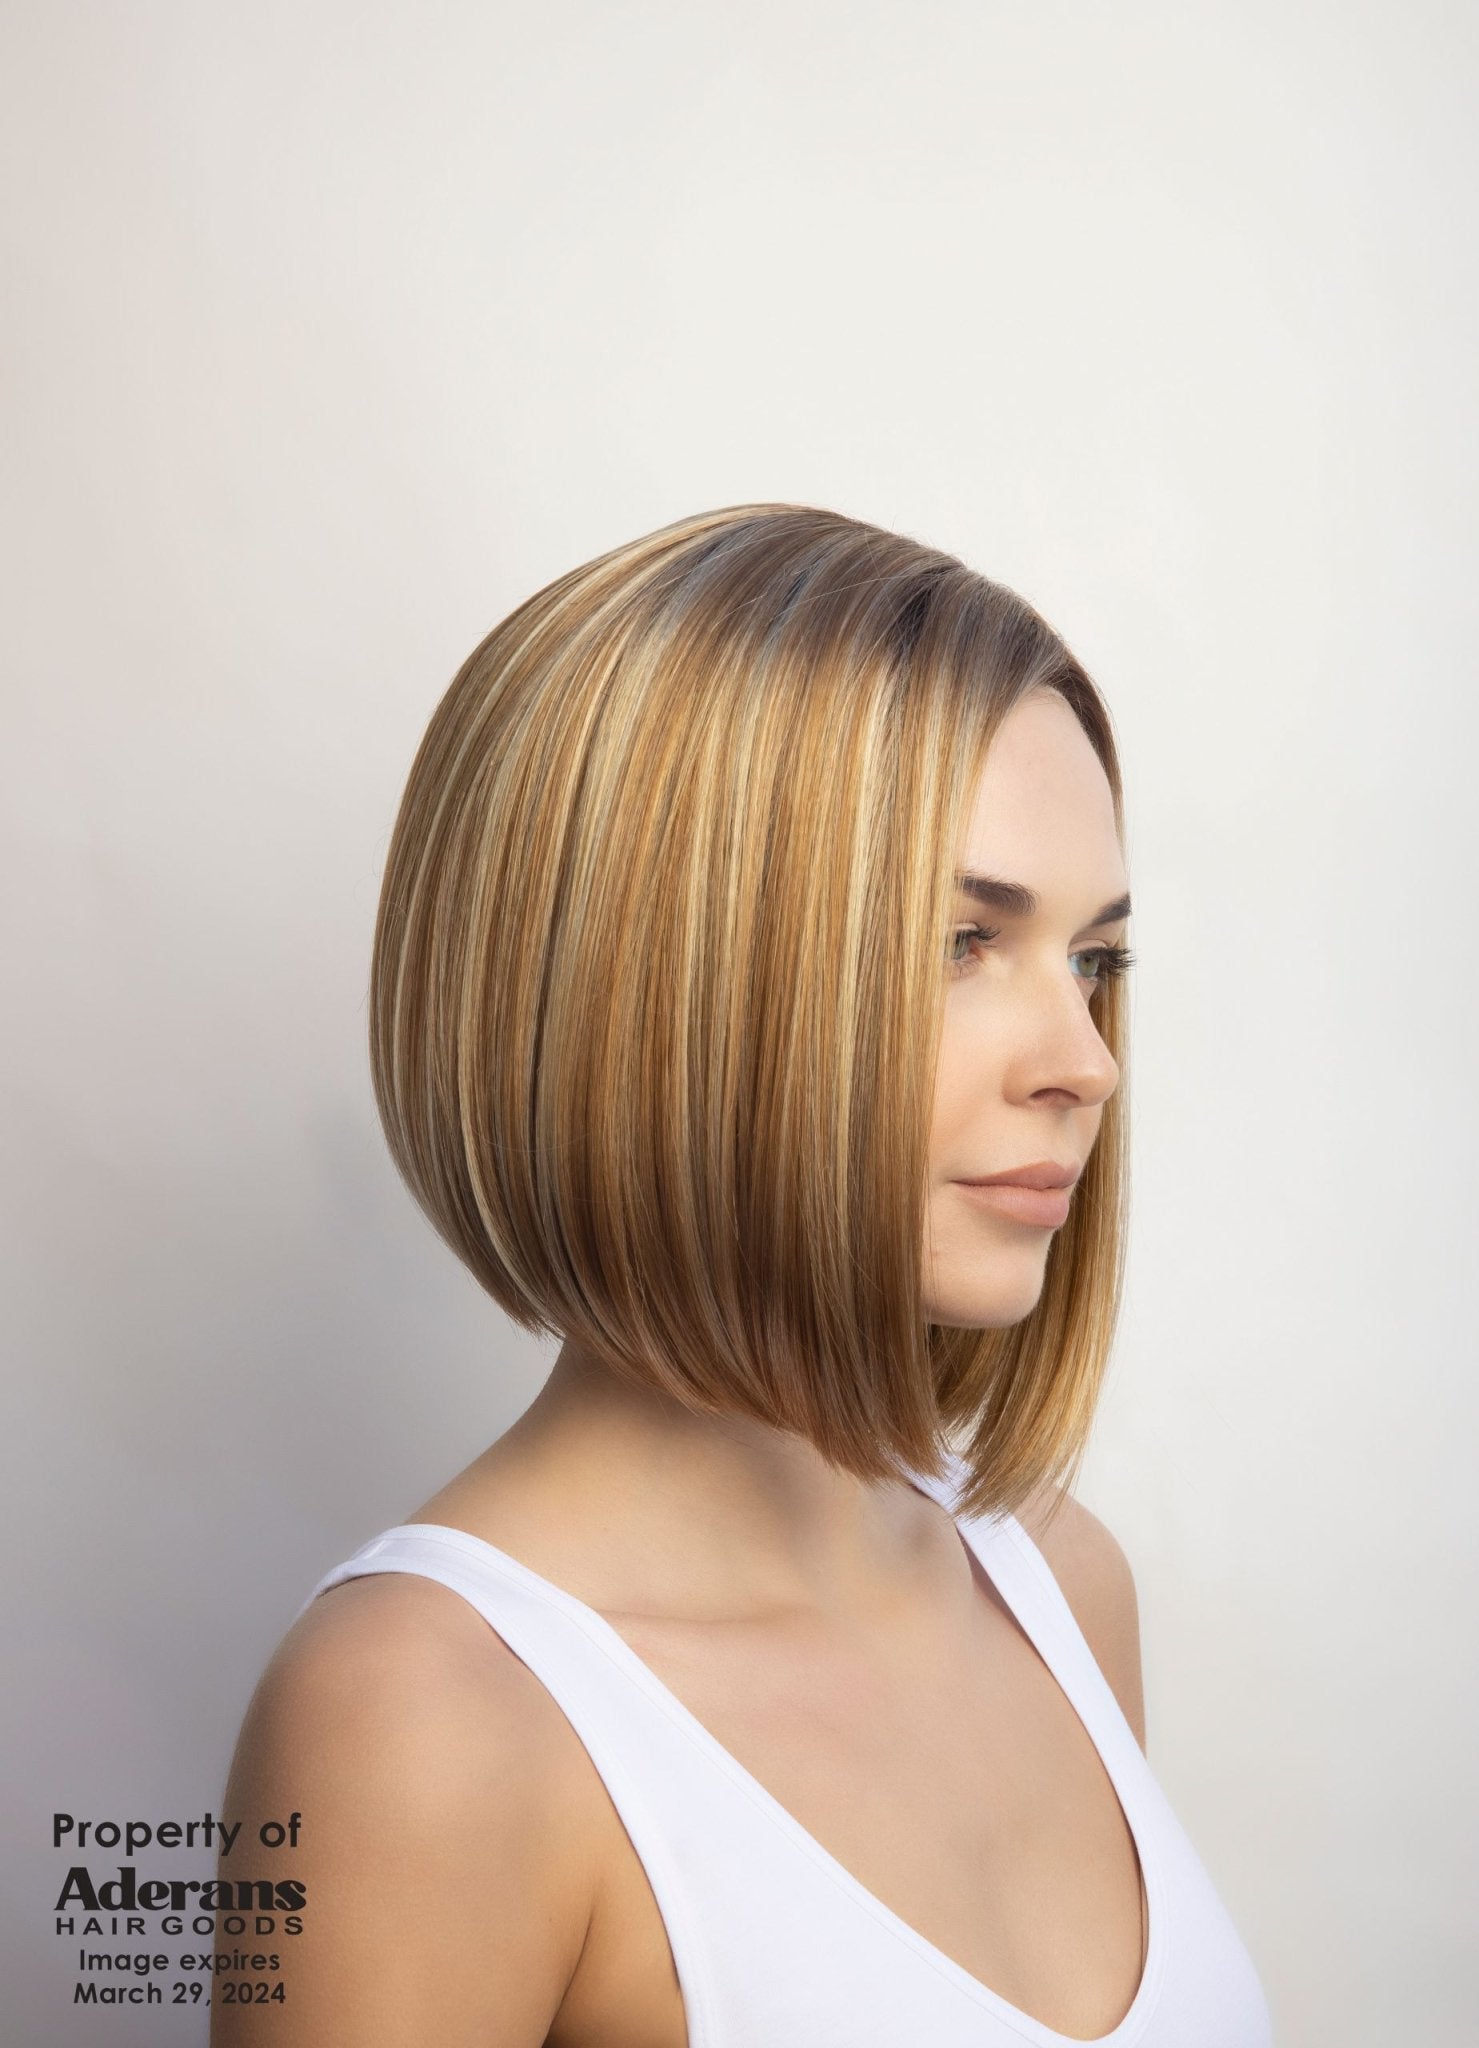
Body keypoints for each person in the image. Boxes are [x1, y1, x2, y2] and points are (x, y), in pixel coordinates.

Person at [214, 505, 1273, 2046]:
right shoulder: (425, 1723)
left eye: (1094, 960)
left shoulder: (1059, 1585)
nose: (1086, 1063)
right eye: (958, 943)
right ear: (655, 982)